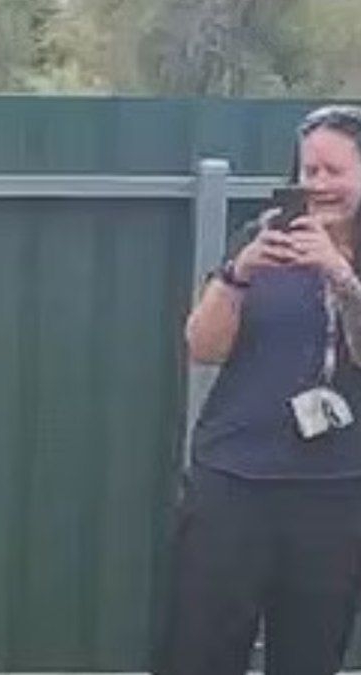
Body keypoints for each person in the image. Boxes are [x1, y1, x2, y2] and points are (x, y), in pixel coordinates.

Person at [157, 105, 361, 675]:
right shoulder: (261, 236)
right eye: (309, 171)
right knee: (197, 651)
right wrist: (238, 274)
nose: (318, 185)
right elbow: (203, 347)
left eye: (333, 171)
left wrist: (341, 277)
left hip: (334, 493)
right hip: (235, 482)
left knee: (309, 654)